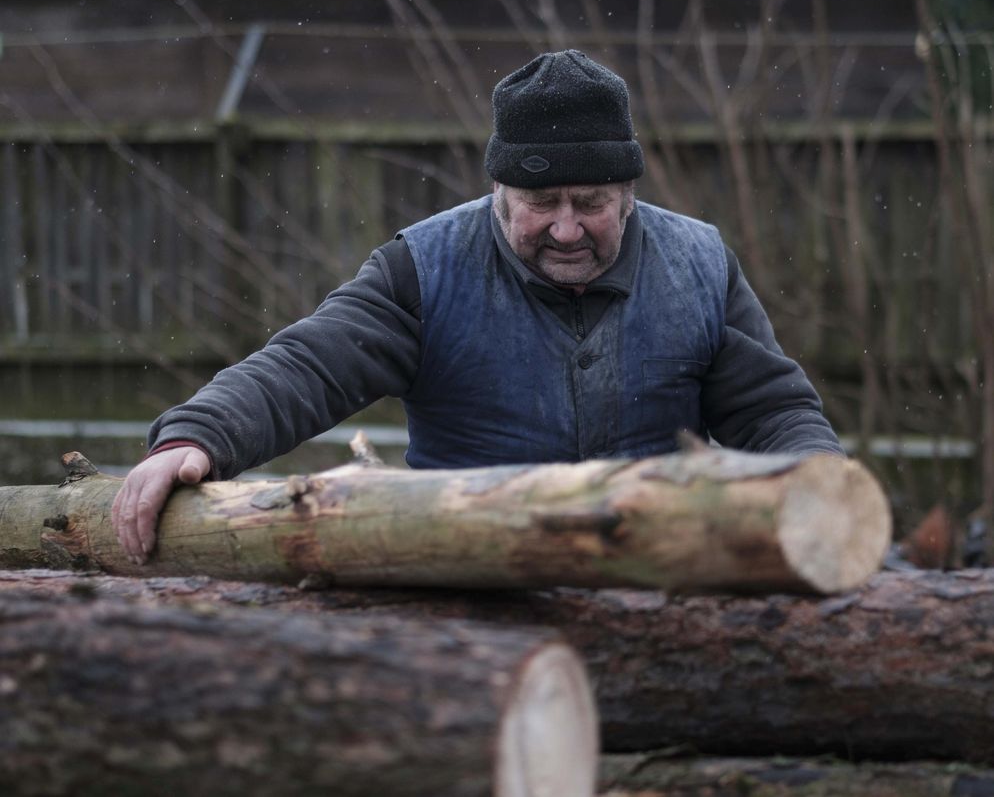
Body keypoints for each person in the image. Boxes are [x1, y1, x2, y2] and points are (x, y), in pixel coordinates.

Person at [111, 49, 844, 564]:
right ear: (498, 191)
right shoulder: (424, 269)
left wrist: (821, 482)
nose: (565, 227)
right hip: (471, 597)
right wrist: (198, 436)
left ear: (628, 195)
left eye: (590, 204)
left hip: (660, 580)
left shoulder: (700, 265)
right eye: (539, 203)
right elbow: (309, 363)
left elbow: (772, 412)